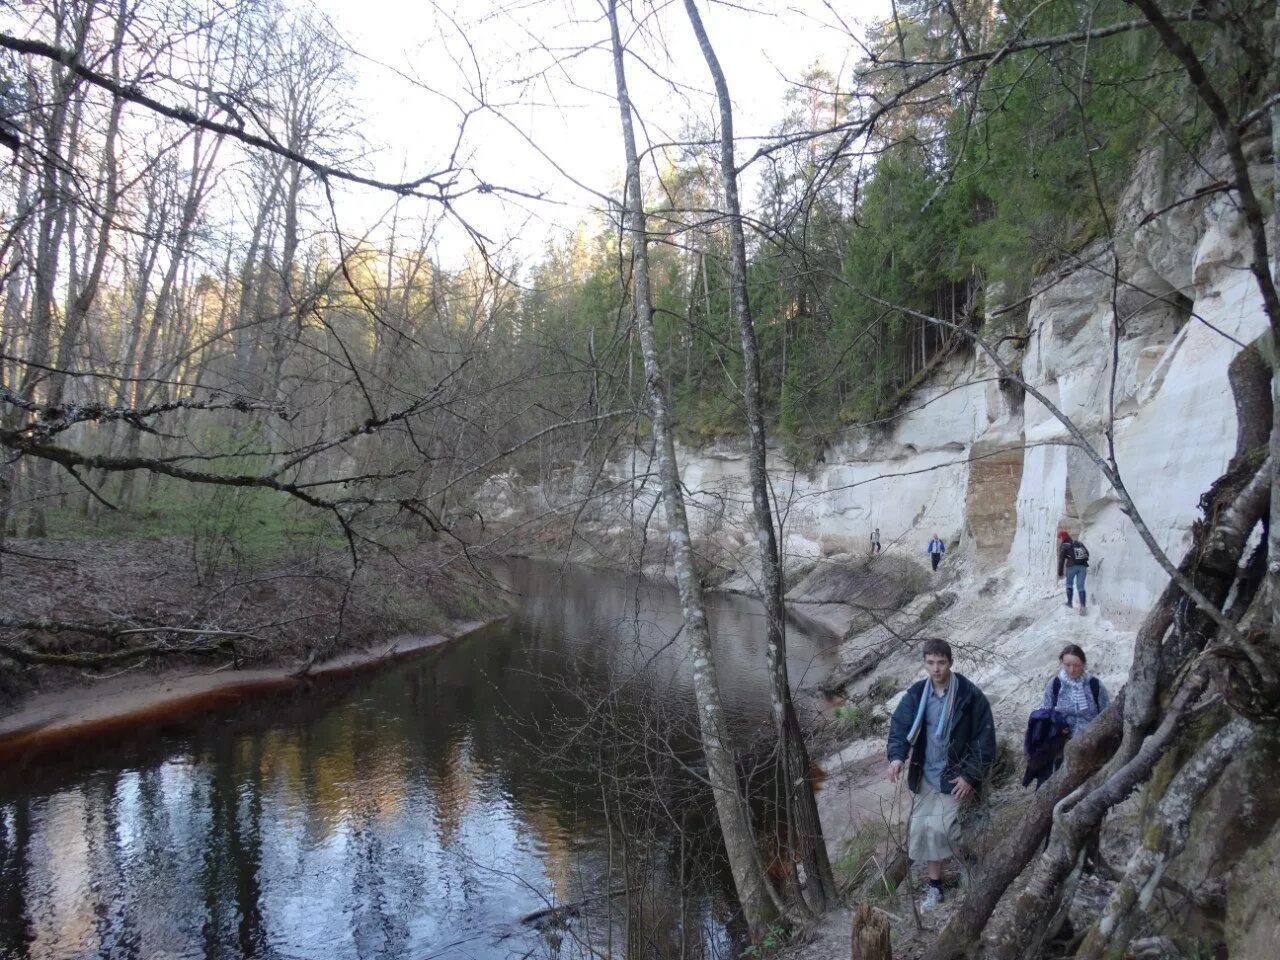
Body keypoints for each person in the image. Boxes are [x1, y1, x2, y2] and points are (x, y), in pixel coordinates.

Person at [885, 638, 996, 909]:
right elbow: (900, 726)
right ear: (924, 663)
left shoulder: (969, 696)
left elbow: (985, 737)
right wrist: (897, 757)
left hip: (955, 775)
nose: (936, 669)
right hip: (926, 773)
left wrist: (970, 775)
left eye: (941, 662)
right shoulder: (917, 694)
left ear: (950, 662)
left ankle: (971, 866)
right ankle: (935, 887)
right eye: (931, 663)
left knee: (944, 829)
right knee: (923, 829)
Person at [1041, 644, 1109, 737]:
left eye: (1077, 665)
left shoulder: (1095, 685)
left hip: (1092, 740)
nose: (1072, 670)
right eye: (1067, 665)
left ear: (1084, 664)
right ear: (1062, 662)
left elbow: (1106, 714)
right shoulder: (1055, 684)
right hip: (1061, 740)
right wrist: (1057, 726)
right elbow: (1046, 712)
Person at [1057, 530, 1090, 613]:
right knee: (1081, 587)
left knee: (1069, 584)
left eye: (1059, 538)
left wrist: (1060, 572)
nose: (1059, 540)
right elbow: (1087, 554)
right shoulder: (1078, 543)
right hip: (1083, 567)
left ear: (1062, 537)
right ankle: (1083, 607)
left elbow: (1061, 560)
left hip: (1071, 567)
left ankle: (1069, 603)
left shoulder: (1065, 545)